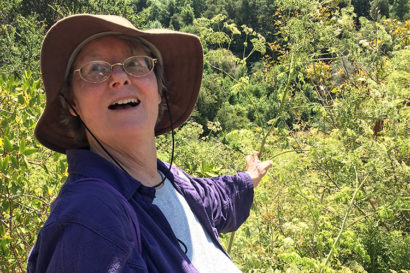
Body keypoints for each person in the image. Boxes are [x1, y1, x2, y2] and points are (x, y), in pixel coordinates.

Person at [27, 14, 273, 273]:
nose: (120, 77)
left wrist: (250, 176)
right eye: (96, 69)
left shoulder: (172, 183)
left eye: (136, 63)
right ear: (72, 104)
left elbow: (215, 197)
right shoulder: (90, 218)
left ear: (159, 91)